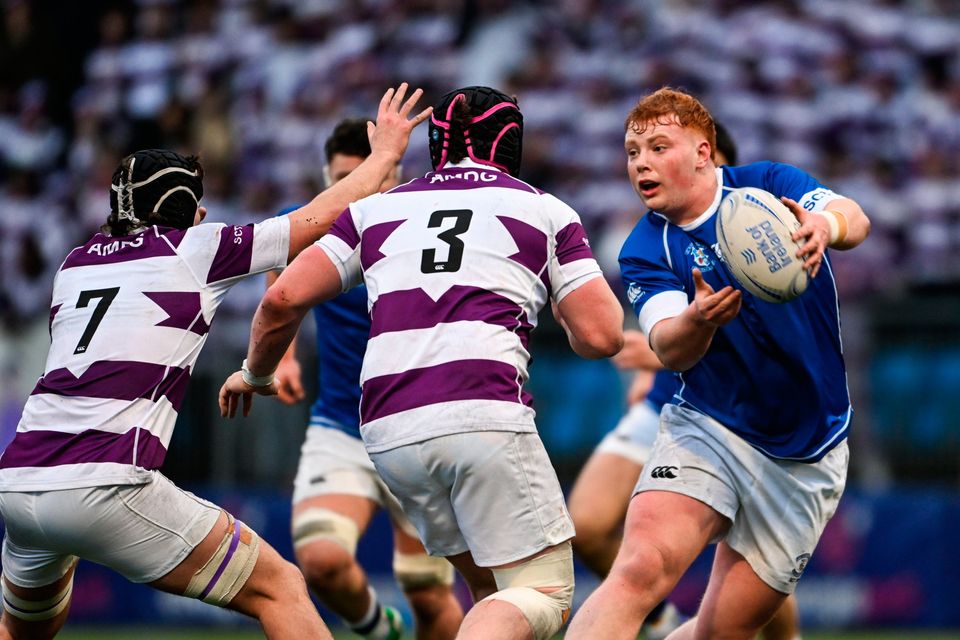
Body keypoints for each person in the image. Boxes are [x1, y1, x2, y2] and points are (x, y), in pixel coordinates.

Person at [0, 83, 430, 640]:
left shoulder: (74, 265)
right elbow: (319, 217)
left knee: (25, 628)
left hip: (20, 480)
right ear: (194, 211)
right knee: (281, 589)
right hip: (105, 480)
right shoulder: (196, 247)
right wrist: (386, 156)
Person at [220, 85, 624, 640]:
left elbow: (281, 299)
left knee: (492, 590)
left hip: (389, 431)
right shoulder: (543, 209)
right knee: (544, 592)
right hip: (482, 415)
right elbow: (602, 336)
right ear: (511, 142)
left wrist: (256, 373)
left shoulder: (374, 210)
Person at [566, 87, 870, 639]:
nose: (641, 164)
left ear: (704, 153)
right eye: (633, 153)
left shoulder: (771, 185)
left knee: (719, 634)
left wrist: (828, 227)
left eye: (659, 147)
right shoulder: (645, 248)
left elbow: (854, 216)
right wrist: (699, 319)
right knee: (638, 570)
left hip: (808, 453)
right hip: (709, 428)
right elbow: (668, 345)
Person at [267, 118, 462, 640]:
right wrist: (282, 357)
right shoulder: (316, 225)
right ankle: (379, 629)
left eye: (368, 175)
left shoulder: (428, 228)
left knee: (428, 591)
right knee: (322, 561)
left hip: (416, 430)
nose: (353, 190)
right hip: (340, 423)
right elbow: (274, 264)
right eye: (341, 178)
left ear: (396, 173)